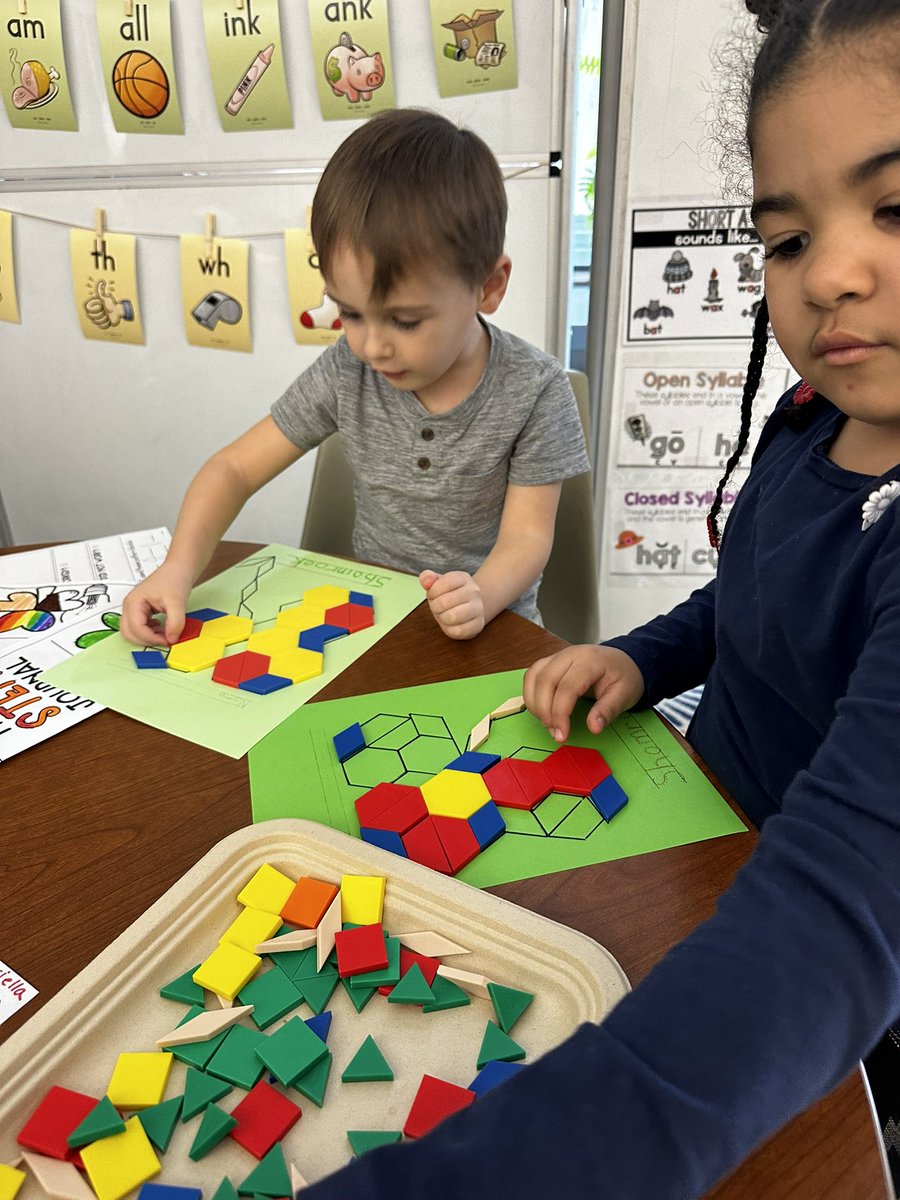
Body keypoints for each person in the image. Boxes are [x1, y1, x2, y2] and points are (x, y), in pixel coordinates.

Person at [292, 1, 900, 1196]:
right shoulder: (813, 421)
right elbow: (750, 606)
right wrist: (639, 658)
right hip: (689, 825)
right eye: (785, 239)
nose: (829, 273)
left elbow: (831, 926)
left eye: (897, 206)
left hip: (810, 991)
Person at [120, 109, 589, 647]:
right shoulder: (349, 369)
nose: (371, 345)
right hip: (373, 624)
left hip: (494, 625)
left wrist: (480, 595)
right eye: (351, 313)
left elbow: (528, 537)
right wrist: (178, 569)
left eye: (405, 320)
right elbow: (232, 469)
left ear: (489, 286)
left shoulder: (536, 392)